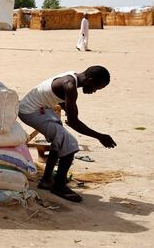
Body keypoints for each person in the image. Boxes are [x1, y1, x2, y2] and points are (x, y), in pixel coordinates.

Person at [18, 66, 116, 203]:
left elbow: (61, 101)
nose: (94, 91)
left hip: (40, 108)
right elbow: (75, 122)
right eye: (96, 87)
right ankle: (59, 186)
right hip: (30, 111)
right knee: (70, 144)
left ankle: (47, 180)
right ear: (90, 80)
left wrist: (71, 116)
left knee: (60, 138)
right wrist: (100, 136)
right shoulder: (70, 86)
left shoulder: (72, 77)